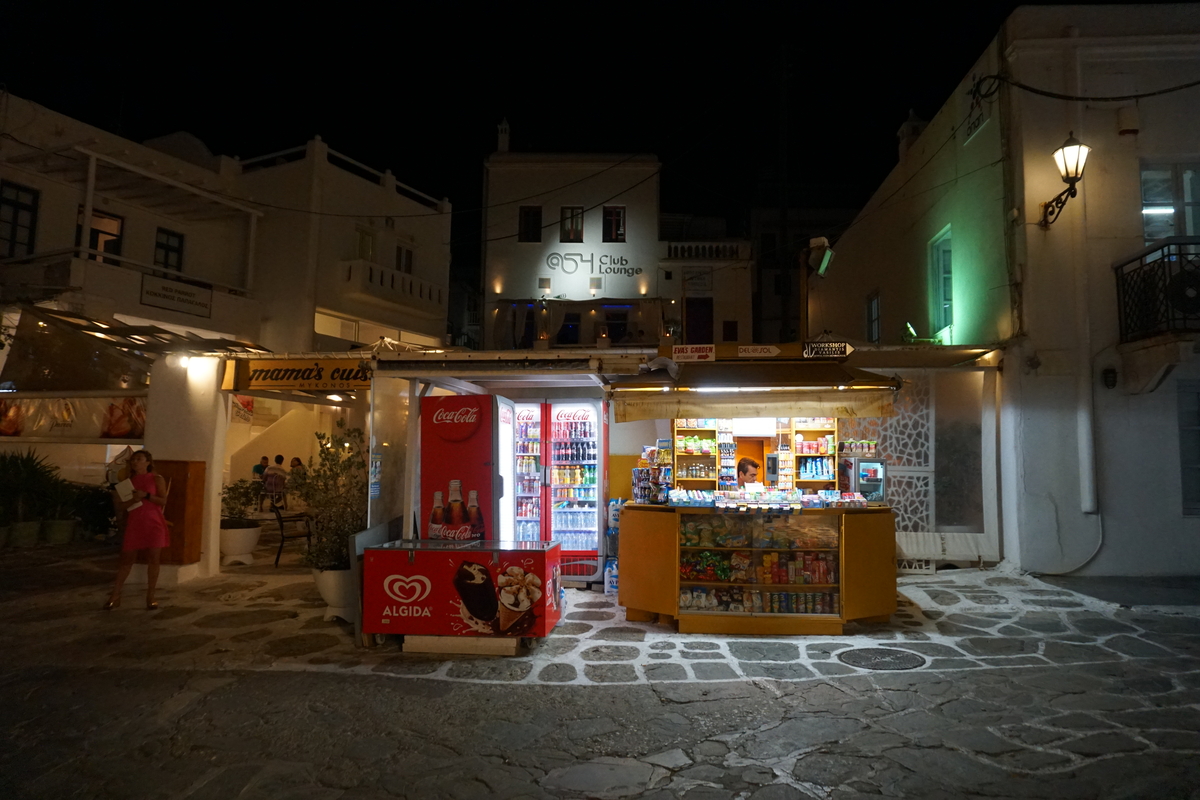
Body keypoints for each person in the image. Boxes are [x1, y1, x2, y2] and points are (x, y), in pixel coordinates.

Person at [105, 449, 170, 610]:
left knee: (154, 559)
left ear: (148, 462)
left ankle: (151, 595)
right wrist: (133, 499)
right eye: (133, 460)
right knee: (127, 560)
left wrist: (146, 495)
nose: (135, 462)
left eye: (139, 459)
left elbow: (163, 500)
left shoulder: (156, 478)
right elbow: (122, 506)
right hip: (135, 522)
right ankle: (115, 594)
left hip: (153, 522)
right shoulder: (128, 482)